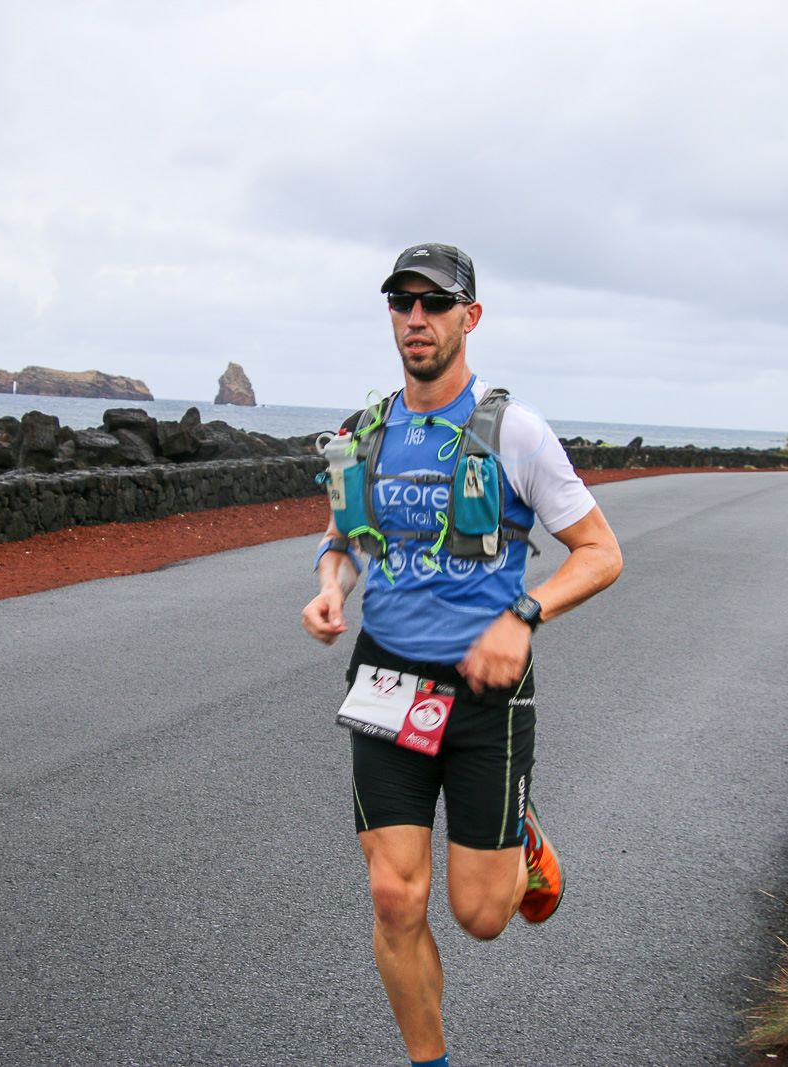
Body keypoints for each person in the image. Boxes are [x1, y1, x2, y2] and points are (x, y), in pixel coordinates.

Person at [301, 243, 623, 1067]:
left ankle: (525, 836)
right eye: (402, 303)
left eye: (435, 304)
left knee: (482, 914)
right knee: (392, 893)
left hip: (487, 692)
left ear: (468, 318)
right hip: (387, 679)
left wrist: (523, 614)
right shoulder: (363, 434)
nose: (417, 318)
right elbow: (343, 536)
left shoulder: (515, 432)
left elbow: (598, 551)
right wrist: (332, 585)